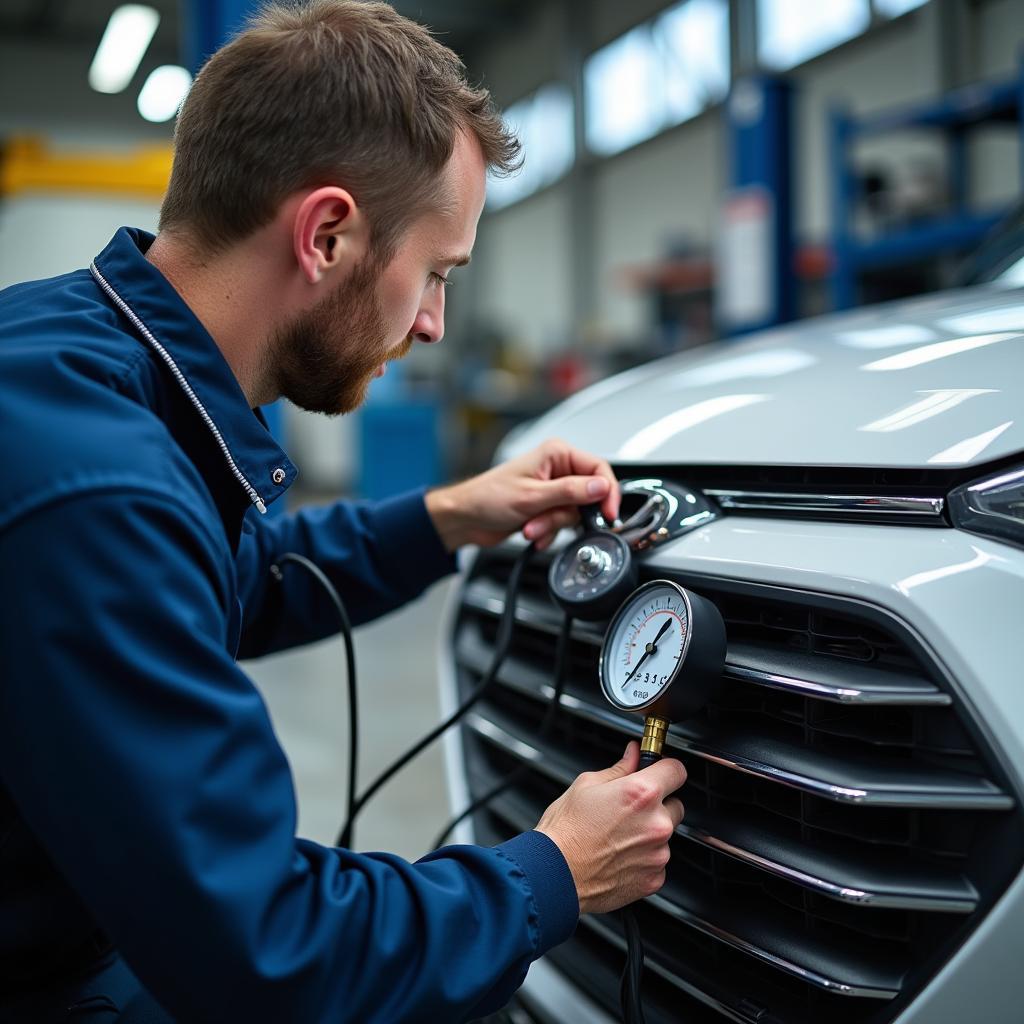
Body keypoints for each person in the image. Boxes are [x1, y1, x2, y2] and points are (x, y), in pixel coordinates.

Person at [0, 2, 686, 1021]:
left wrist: (449, 516)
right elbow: (268, 950)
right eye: (436, 273)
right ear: (326, 234)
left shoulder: (74, 352)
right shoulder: (99, 488)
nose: (430, 322)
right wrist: (554, 872)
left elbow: (230, 576)